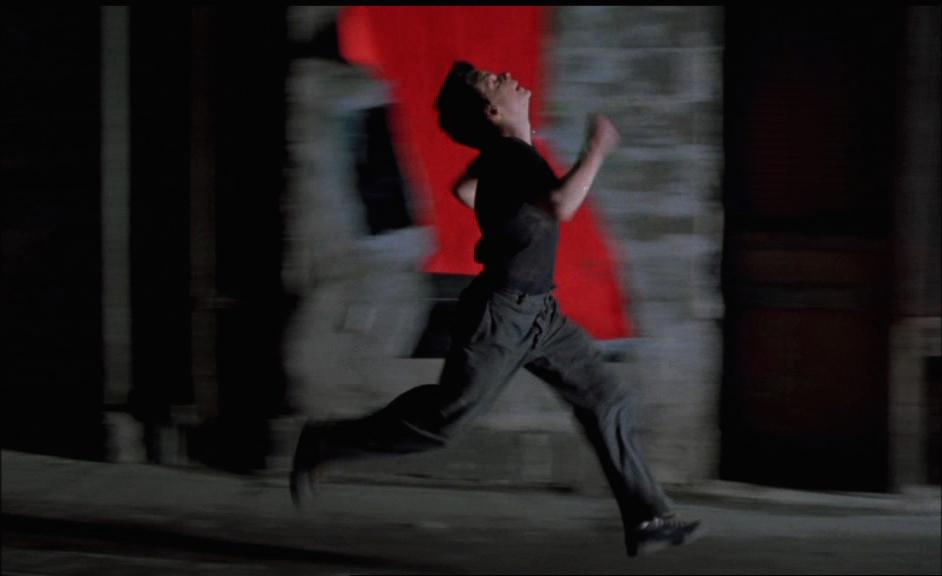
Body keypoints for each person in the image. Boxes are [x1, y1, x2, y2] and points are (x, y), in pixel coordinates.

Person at [291, 60, 702, 558]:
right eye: (494, 81)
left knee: (606, 397)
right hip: (502, 317)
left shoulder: (504, 155)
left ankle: (648, 519)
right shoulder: (514, 156)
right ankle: (326, 442)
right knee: (444, 421)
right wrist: (596, 150)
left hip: (541, 314)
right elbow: (562, 206)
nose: (506, 76)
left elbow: (464, 191)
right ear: (492, 110)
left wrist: (503, 208)